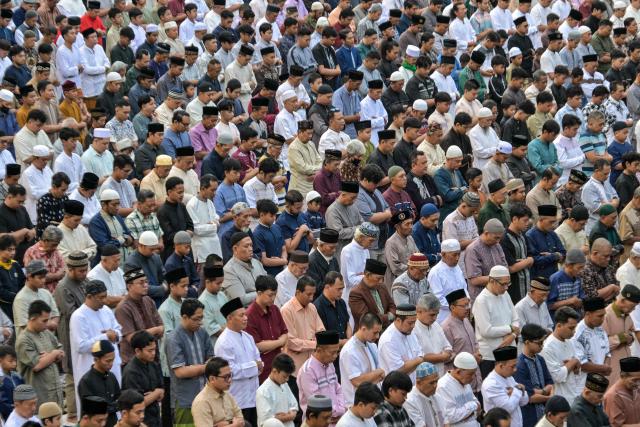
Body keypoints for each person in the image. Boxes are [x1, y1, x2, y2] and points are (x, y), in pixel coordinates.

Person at [69, 280, 122, 403]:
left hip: (112, 366)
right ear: (89, 297)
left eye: (105, 296)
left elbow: (118, 331)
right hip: (90, 369)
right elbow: (81, 346)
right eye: (100, 298)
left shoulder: (107, 311)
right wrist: (105, 337)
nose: (104, 301)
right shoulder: (78, 316)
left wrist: (115, 335)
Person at [165, 298, 214, 426]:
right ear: (185, 317)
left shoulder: (202, 333)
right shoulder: (173, 338)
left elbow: (211, 359)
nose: (200, 322)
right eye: (196, 319)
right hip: (185, 399)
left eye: (201, 318)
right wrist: (206, 367)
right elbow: (180, 372)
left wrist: (204, 366)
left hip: (206, 396)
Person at [214, 297, 262, 426]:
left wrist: (256, 366)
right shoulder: (224, 342)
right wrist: (254, 366)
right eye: (241, 315)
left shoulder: (248, 337)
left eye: (245, 314)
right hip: (237, 400)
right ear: (229, 318)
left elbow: (260, 363)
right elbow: (230, 371)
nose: (246, 318)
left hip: (254, 397)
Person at [472, 265, 520, 378]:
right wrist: (510, 329)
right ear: (492, 281)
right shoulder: (482, 300)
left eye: (508, 284)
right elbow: (486, 331)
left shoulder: (505, 294)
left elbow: (516, 319)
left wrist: (512, 336)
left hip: (509, 351)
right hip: (491, 356)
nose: (506, 287)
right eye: (503, 284)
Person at [15, 300, 63, 408]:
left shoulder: (45, 333)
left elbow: (60, 351)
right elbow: (37, 365)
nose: (48, 324)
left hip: (55, 391)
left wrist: (52, 356)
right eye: (44, 321)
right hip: (39, 396)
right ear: (33, 318)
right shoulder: (24, 339)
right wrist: (53, 354)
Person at [114, 269, 164, 365]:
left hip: (153, 359)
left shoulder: (148, 300)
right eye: (141, 283)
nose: (145, 285)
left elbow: (161, 327)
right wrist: (155, 330)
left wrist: (157, 330)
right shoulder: (122, 308)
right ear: (129, 286)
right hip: (132, 362)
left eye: (146, 282)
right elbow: (132, 338)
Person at [282, 276, 326, 374]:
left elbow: (321, 331)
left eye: (313, 294)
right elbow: (291, 342)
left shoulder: (312, 307)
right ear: (298, 292)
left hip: (313, 365)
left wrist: (311, 343)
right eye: (308, 294)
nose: (311, 298)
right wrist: (314, 344)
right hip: (295, 369)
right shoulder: (286, 310)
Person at [540, 307, 583, 403]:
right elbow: (557, 376)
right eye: (571, 328)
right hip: (559, 400)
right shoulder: (548, 347)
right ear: (559, 325)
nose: (574, 331)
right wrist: (573, 362)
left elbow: (577, 369)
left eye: (575, 328)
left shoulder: (570, 341)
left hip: (574, 395)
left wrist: (573, 365)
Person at [514, 324, 554, 427]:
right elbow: (529, 397)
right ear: (527, 342)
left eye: (543, 342)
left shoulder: (540, 359)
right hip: (529, 415)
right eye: (539, 343)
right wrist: (548, 397)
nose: (542, 346)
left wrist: (542, 392)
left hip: (545, 412)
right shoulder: (519, 365)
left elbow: (550, 382)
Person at [121, 331, 163, 427]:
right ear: (137, 351)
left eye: (154, 350)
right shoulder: (131, 372)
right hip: (140, 421)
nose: (153, 353)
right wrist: (156, 393)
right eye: (149, 350)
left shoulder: (153, 364)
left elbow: (162, 391)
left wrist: (154, 395)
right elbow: (136, 403)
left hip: (156, 417)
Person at [76, 339, 121, 427]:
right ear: (96, 359)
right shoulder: (86, 381)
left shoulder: (111, 376)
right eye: (108, 361)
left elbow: (120, 399)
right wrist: (114, 406)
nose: (111, 364)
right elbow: (92, 410)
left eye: (113, 360)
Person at [191, 357, 245, 427]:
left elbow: (241, 421)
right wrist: (234, 425)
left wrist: (227, 423)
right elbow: (238, 423)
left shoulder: (227, 394)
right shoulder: (201, 402)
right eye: (226, 377)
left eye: (230, 375)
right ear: (212, 379)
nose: (229, 380)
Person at [481, 346, 529, 426]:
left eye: (515, 366)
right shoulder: (491, 384)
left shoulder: (509, 377)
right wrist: (517, 391)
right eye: (512, 366)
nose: (515, 369)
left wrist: (516, 393)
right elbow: (507, 408)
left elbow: (524, 401)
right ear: (501, 366)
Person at [435, 352, 482, 427]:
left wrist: (468, 411)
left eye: (474, 373)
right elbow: (450, 416)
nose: (473, 377)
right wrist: (472, 406)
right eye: (470, 374)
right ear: (458, 372)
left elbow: (478, 408)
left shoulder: (465, 382)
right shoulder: (443, 386)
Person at [256, 353, 298, 427]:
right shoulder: (263, 391)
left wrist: (291, 414)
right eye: (284, 376)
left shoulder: (284, 384)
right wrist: (288, 416)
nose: (287, 380)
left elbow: (293, 405)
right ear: (275, 371)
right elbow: (267, 421)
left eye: (288, 376)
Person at [603, 356, 640, 425]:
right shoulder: (613, 396)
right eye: (635, 380)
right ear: (623, 376)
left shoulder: (636, 389)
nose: (638, 383)